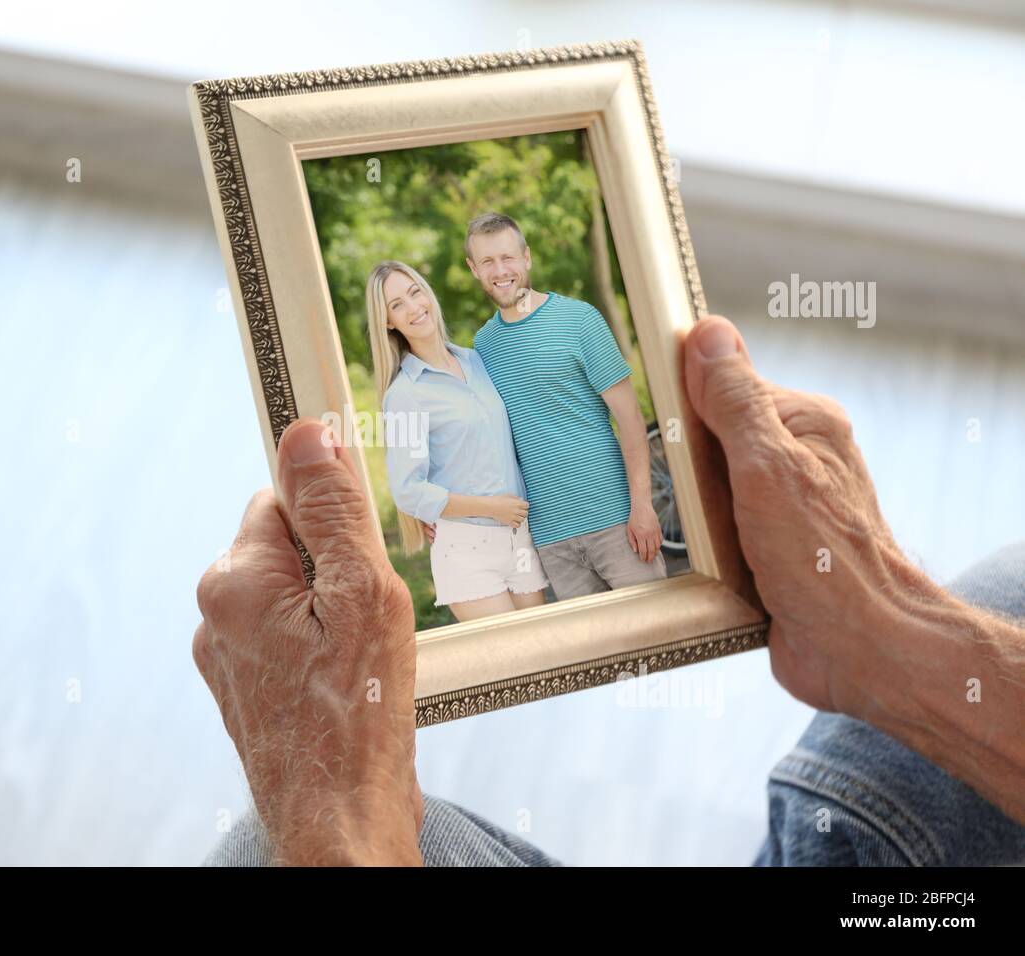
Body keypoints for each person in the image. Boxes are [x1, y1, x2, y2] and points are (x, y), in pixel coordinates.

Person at [192, 315, 1025, 866]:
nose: (419, 304)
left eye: (422, 292)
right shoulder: (418, 387)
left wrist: (339, 820)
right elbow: (419, 488)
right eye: (401, 298)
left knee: (262, 852)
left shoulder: (484, 360)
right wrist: (896, 632)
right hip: (488, 540)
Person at [461, 212, 667, 599]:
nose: (500, 270)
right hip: (553, 543)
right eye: (487, 261)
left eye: (508, 258)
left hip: (617, 523)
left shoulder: (579, 320)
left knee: (660, 641)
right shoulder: (483, 346)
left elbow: (630, 417)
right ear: (473, 269)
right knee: (596, 656)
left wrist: (642, 506)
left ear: (527, 258)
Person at [369, 260, 548, 622]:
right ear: (388, 322)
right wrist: (488, 507)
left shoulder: (476, 361)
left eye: (415, 293)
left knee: (547, 656)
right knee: (512, 664)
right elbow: (407, 490)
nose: (414, 307)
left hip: (520, 539)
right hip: (468, 551)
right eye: (397, 305)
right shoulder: (404, 394)